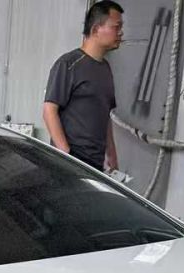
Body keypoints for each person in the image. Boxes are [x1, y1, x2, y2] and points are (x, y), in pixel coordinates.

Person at [43, 1, 123, 172]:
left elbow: (105, 115)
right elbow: (49, 111)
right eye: (116, 27)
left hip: (95, 164)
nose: (121, 32)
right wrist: (66, 154)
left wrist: (112, 155)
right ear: (95, 29)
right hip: (69, 163)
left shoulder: (106, 69)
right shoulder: (68, 64)